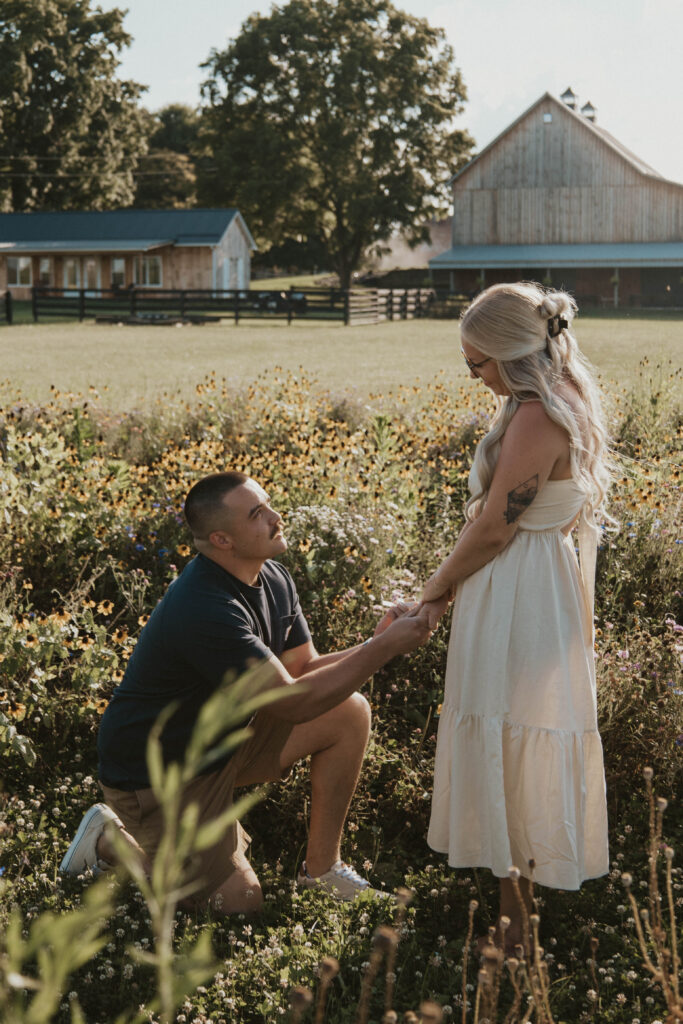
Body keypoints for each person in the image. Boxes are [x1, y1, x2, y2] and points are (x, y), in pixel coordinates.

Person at [60, 471, 432, 911]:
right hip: (160, 776)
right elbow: (295, 702)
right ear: (222, 540)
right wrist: (385, 649)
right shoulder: (204, 607)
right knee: (239, 903)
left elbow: (302, 670)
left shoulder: (272, 577)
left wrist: (375, 642)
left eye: (268, 504)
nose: (276, 517)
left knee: (348, 711)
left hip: (223, 745)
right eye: (258, 514)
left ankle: (323, 872)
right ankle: (110, 841)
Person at [415, 282, 612, 951]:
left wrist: (434, 591)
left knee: (509, 740)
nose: (473, 378)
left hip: (516, 590)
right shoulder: (563, 397)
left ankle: (513, 931)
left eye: (477, 365)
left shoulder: (534, 416)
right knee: (511, 740)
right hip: (534, 583)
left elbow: (498, 526)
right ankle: (512, 919)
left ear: (510, 354)